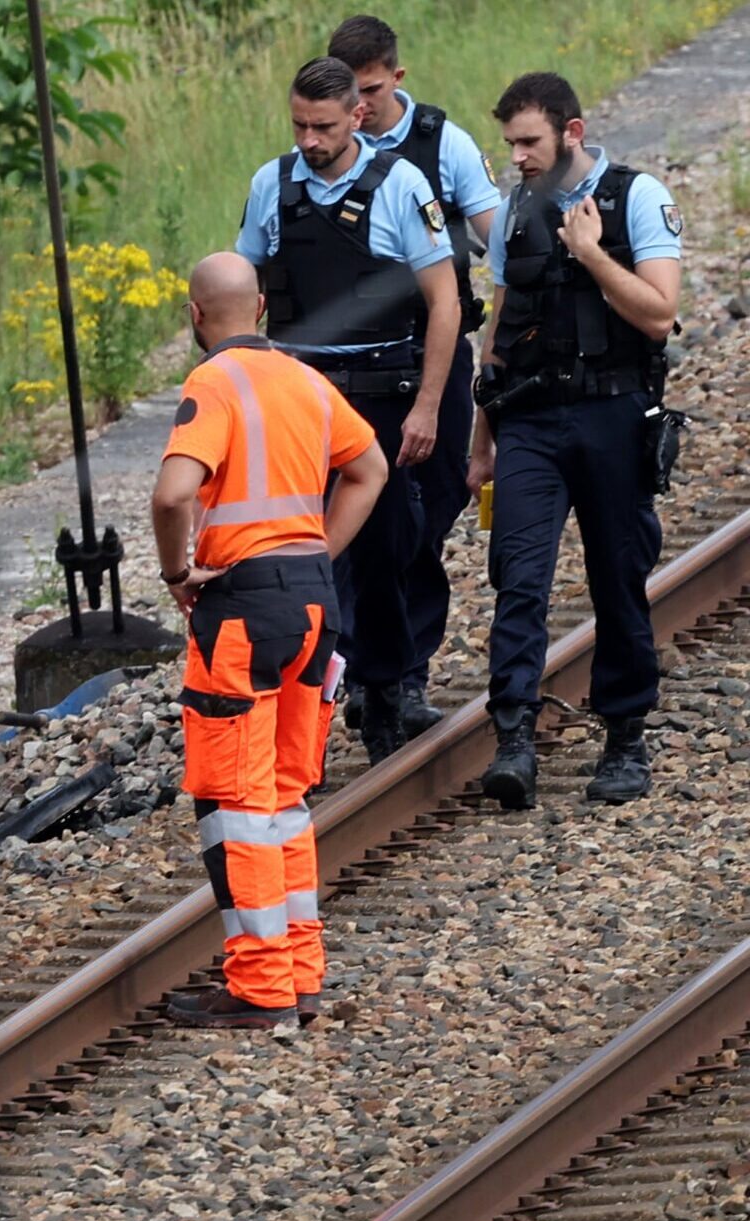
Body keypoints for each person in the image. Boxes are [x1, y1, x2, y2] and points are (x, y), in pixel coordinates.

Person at [152, 254, 390, 1028]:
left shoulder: (213, 384)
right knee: (286, 797)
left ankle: (259, 990)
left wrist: (177, 570)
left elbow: (173, 493)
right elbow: (370, 468)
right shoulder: (306, 381)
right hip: (314, 605)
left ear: (196, 317)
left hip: (242, 609)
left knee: (235, 803)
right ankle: (300, 972)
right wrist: (319, 550)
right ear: (259, 307)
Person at [235, 55, 458, 764]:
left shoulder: (402, 185)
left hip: (380, 398)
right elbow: (242, 288)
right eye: (298, 124)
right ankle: (321, 692)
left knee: (385, 548)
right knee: (301, 556)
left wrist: (427, 406)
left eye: (323, 127)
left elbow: (444, 303)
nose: (308, 139)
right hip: (298, 395)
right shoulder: (270, 185)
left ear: (357, 117)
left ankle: (386, 686)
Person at [468, 72, 682, 808]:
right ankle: (515, 739)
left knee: (617, 575)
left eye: (529, 142)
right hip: (529, 419)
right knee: (518, 576)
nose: (518, 157)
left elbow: (659, 314)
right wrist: (480, 441)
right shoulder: (516, 208)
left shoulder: (636, 197)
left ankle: (625, 737)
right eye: (510, 144)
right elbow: (497, 330)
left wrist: (592, 254)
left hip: (614, 415)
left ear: (572, 132)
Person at [330, 15, 506, 733]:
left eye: (370, 91)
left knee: (428, 512)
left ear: (395, 78)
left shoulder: (444, 144)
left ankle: (402, 667)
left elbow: (501, 239)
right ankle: (375, 673)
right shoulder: (320, 153)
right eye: (351, 95)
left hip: (431, 354)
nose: (361, 109)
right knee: (357, 520)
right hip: (354, 370)